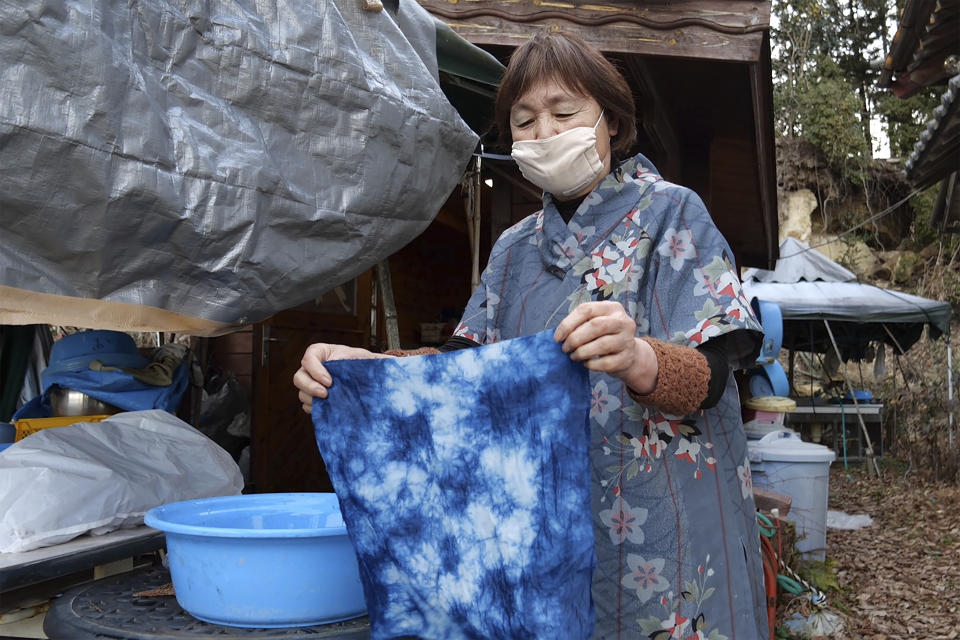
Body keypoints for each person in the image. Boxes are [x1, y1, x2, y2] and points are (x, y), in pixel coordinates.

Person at [295, 30, 767, 639]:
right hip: (544, 532)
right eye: (524, 121)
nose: (544, 134)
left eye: (565, 113)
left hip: (666, 521)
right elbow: (462, 373)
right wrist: (366, 371)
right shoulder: (515, 250)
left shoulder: (673, 213)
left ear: (614, 124)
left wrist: (640, 358)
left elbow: (719, 370)